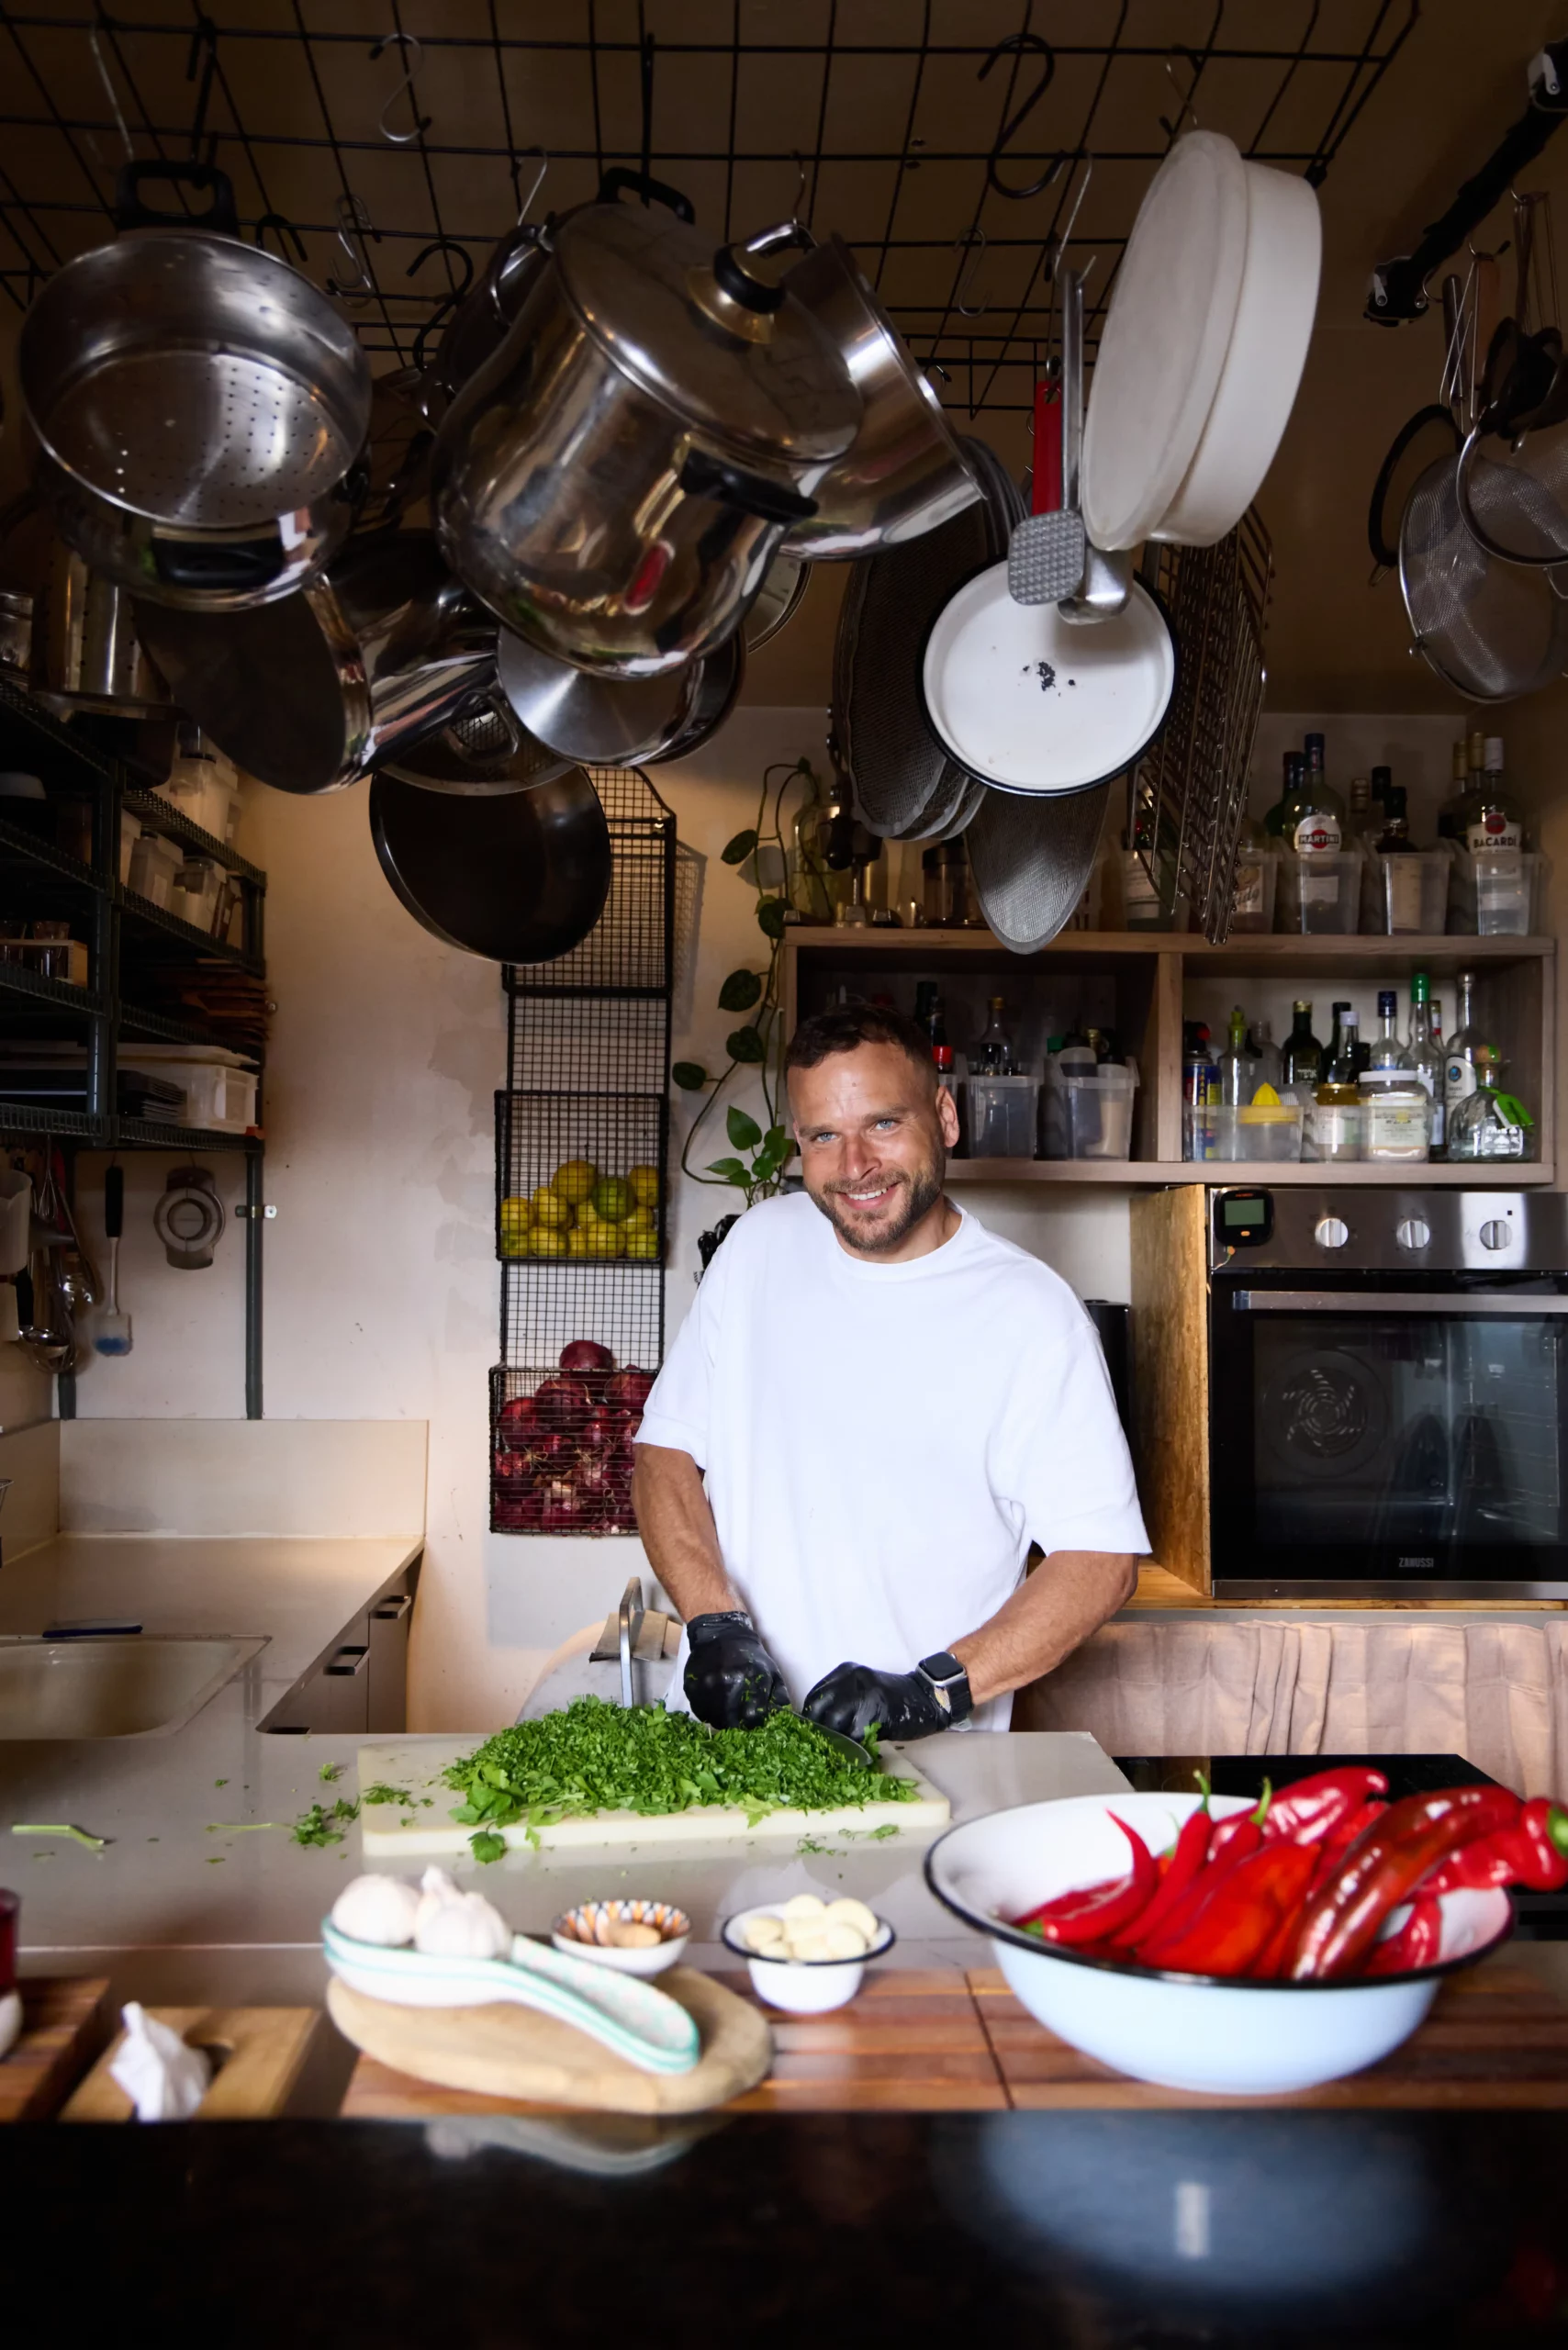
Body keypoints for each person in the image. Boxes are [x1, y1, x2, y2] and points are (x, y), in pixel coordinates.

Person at [632, 1002, 1148, 1740]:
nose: (855, 1167)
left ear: (945, 1116)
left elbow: (1099, 1560)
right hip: (728, 1750)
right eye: (824, 1136)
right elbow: (665, 1454)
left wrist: (930, 1691)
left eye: (882, 1123)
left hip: (922, 1765)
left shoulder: (1033, 1315)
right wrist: (713, 1621)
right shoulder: (756, 1249)